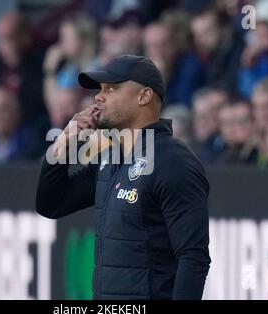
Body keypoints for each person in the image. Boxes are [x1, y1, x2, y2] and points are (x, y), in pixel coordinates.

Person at [36, 55, 211, 300]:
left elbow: (193, 257)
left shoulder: (173, 161)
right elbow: (51, 204)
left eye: (112, 88)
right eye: (100, 89)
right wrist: (64, 142)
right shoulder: (110, 159)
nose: (98, 96)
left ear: (144, 96)